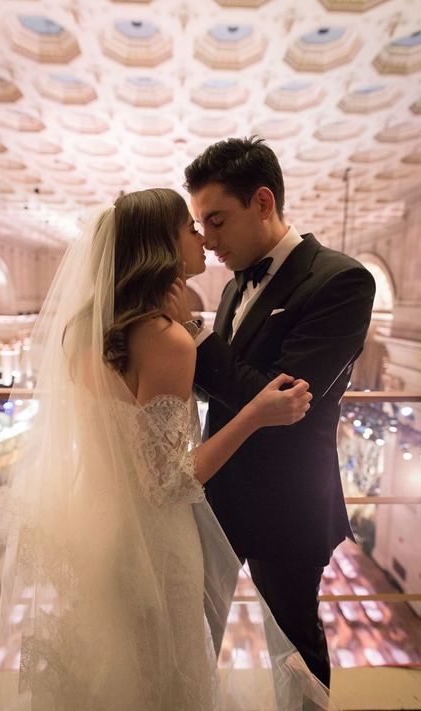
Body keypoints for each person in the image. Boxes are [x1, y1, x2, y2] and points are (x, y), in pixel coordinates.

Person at [0, 188, 335, 711]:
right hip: (153, 541)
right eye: (189, 228)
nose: (203, 239)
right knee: (163, 683)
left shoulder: (86, 330)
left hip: (102, 527)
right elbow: (167, 481)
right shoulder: (165, 340)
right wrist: (254, 416)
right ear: (162, 243)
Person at [167, 137, 376, 690]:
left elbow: (285, 401)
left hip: (289, 504)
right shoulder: (236, 283)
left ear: (263, 202)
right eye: (199, 225)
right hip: (215, 495)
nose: (207, 242)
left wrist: (196, 332)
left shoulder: (341, 280)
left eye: (216, 221)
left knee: (294, 651)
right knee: (194, 634)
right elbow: (234, 392)